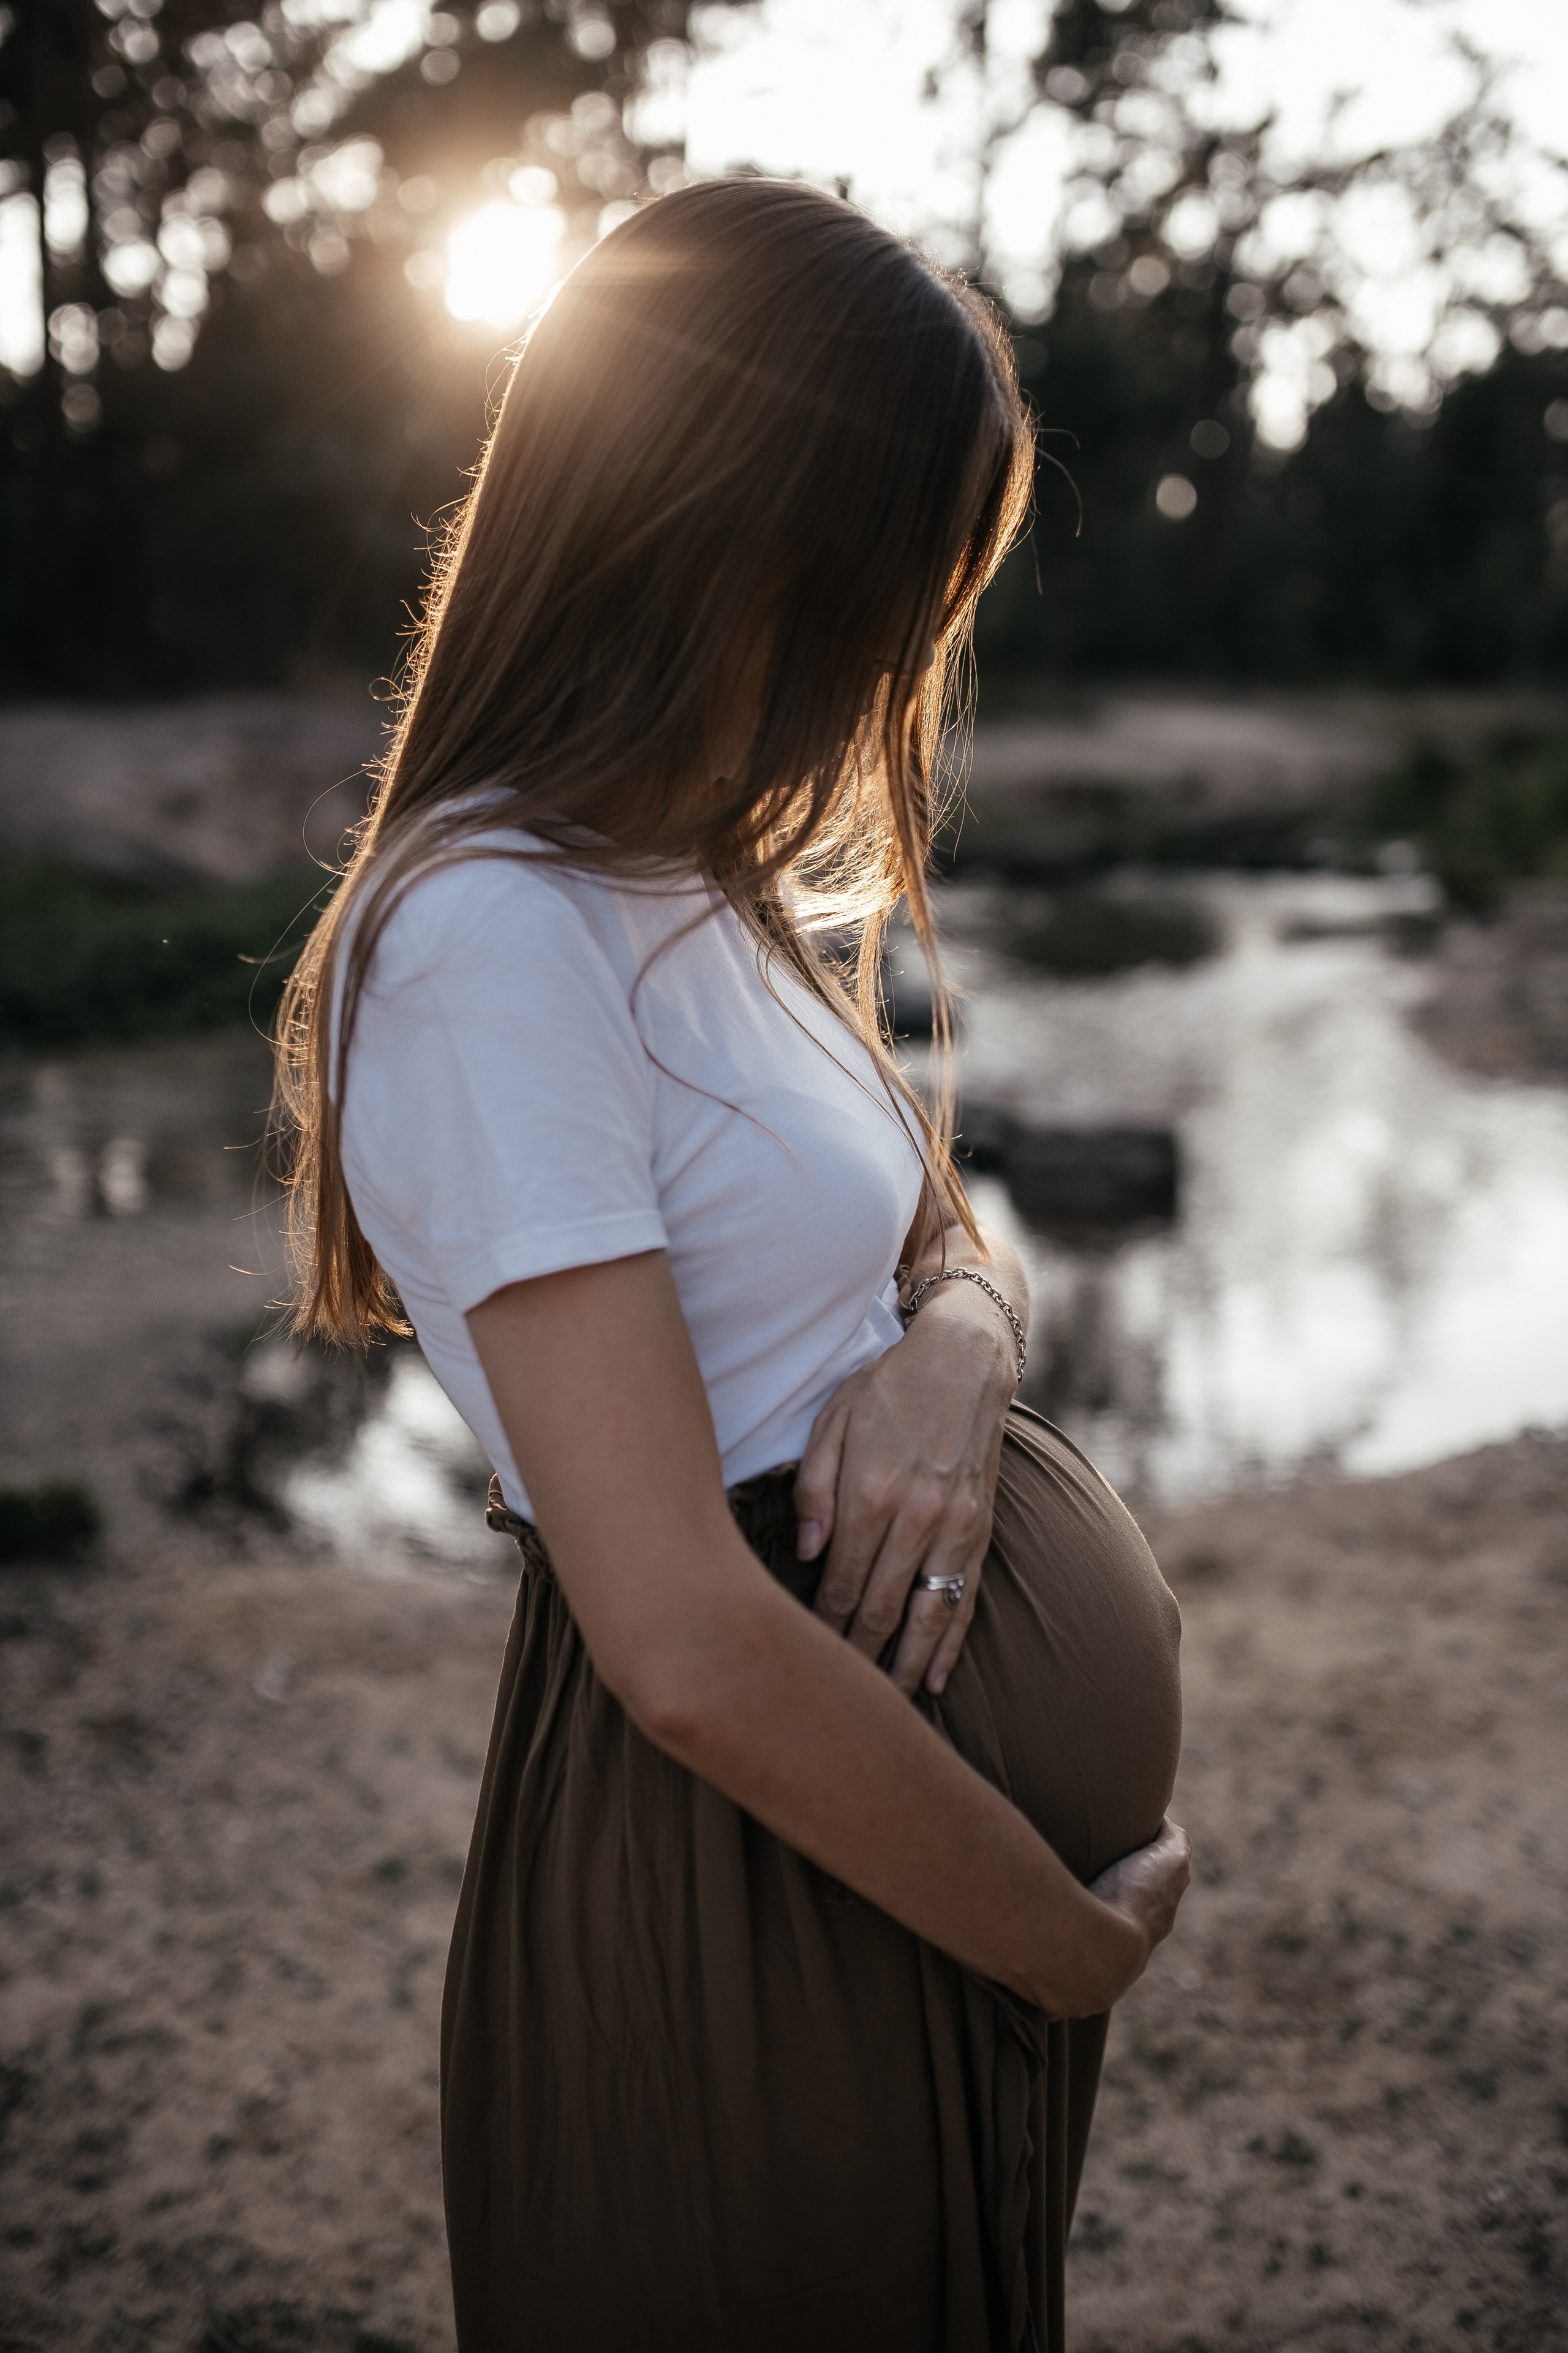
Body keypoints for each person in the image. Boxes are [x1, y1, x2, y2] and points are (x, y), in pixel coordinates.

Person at [273, 176, 1189, 2353]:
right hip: (751, 1869)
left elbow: (931, 1242)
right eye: (875, 588)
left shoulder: (706, 876)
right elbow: (682, 1631)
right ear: (708, 525)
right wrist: (1059, 1946)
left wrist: (960, 1351)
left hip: (877, 1848)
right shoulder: (494, 929)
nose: (889, 665)